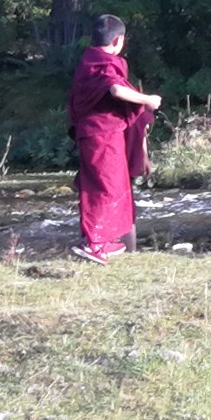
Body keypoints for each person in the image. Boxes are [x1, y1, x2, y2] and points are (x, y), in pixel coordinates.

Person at [67, 14, 161, 265]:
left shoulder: (88, 61)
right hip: (102, 134)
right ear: (119, 40)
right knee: (106, 187)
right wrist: (148, 99)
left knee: (109, 186)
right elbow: (116, 90)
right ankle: (96, 243)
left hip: (97, 134)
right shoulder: (104, 64)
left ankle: (102, 242)